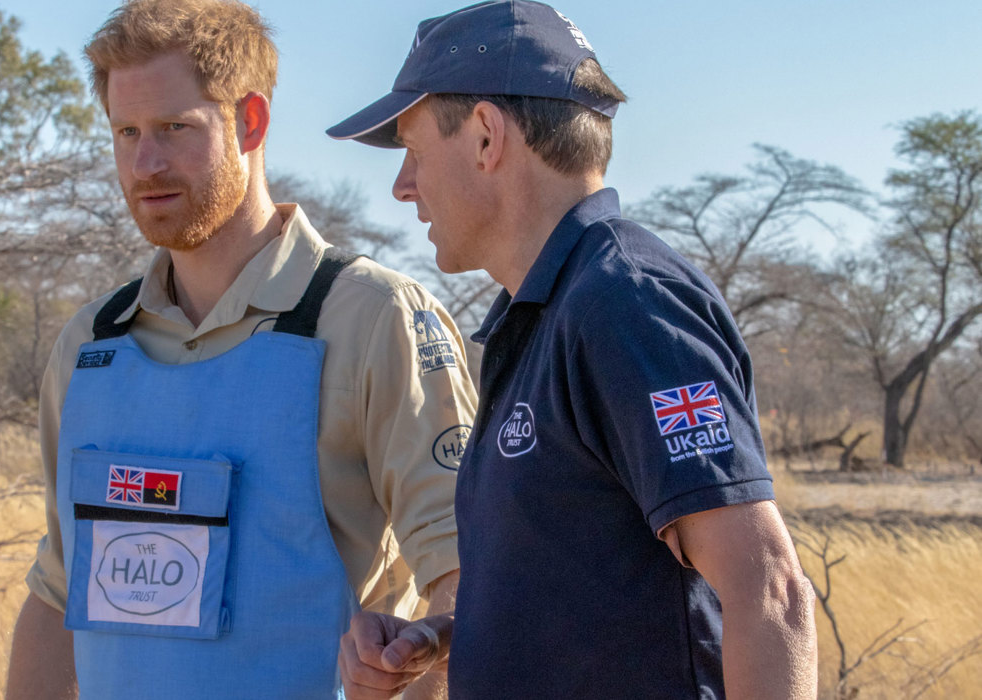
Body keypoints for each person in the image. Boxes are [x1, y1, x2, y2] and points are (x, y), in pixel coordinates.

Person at [327, 2, 818, 698]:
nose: (403, 186)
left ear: (486, 136)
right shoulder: (539, 317)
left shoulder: (626, 302)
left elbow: (769, 591)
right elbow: (579, 602)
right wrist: (434, 640)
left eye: (413, 149)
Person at [3, 0, 476, 698]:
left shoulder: (373, 320)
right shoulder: (90, 347)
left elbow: (469, 581)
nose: (144, 163)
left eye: (174, 128)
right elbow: (57, 592)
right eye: (125, 132)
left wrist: (413, 656)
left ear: (250, 121)